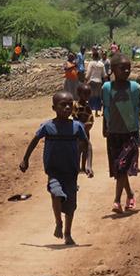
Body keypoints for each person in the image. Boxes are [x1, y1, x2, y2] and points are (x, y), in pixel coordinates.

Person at [20, 91, 92, 245]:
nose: (67, 107)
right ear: (54, 108)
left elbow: (86, 145)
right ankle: (58, 222)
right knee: (56, 194)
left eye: (69, 104)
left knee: (71, 206)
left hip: (71, 172)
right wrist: (25, 159)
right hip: (54, 170)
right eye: (62, 105)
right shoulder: (48, 126)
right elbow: (34, 141)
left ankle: (68, 233)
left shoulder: (77, 127)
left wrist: (87, 165)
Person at [102, 53, 140, 214]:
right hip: (113, 134)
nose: (126, 71)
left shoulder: (134, 88)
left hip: (130, 133)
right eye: (122, 68)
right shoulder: (106, 88)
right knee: (119, 169)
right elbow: (106, 109)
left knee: (121, 167)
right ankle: (130, 194)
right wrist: (105, 127)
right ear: (112, 70)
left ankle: (117, 200)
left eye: (128, 68)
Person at [85, 49, 107, 116]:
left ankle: (90, 112)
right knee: (98, 97)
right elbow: (104, 75)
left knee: (91, 96)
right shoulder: (101, 64)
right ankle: (97, 113)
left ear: (93, 56)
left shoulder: (91, 63)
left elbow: (88, 73)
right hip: (99, 82)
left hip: (92, 81)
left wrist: (85, 80)